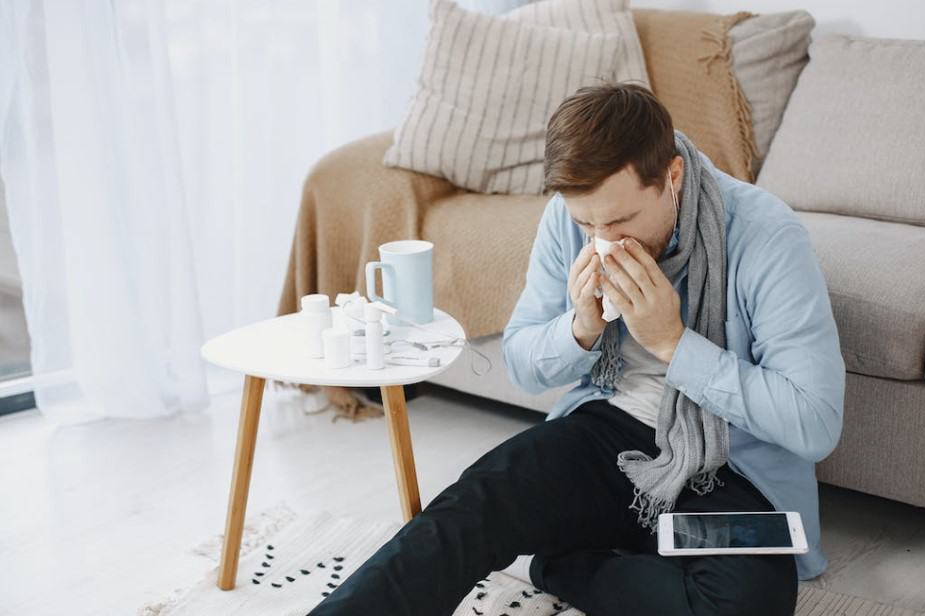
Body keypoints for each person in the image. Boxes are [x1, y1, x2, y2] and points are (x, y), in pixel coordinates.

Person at [307, 82, 845, 616]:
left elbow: (815, 424)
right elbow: (521, 361)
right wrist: (580, 328)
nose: (601, 238)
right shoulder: (571, 222)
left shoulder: (766, 236)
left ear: (672, 178)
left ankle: (564, 562)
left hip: (727, 461)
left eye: (620, 220)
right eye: (586, 222)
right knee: (471, 508)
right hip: (606, 431)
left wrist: (674, 344)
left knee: (748, 602)